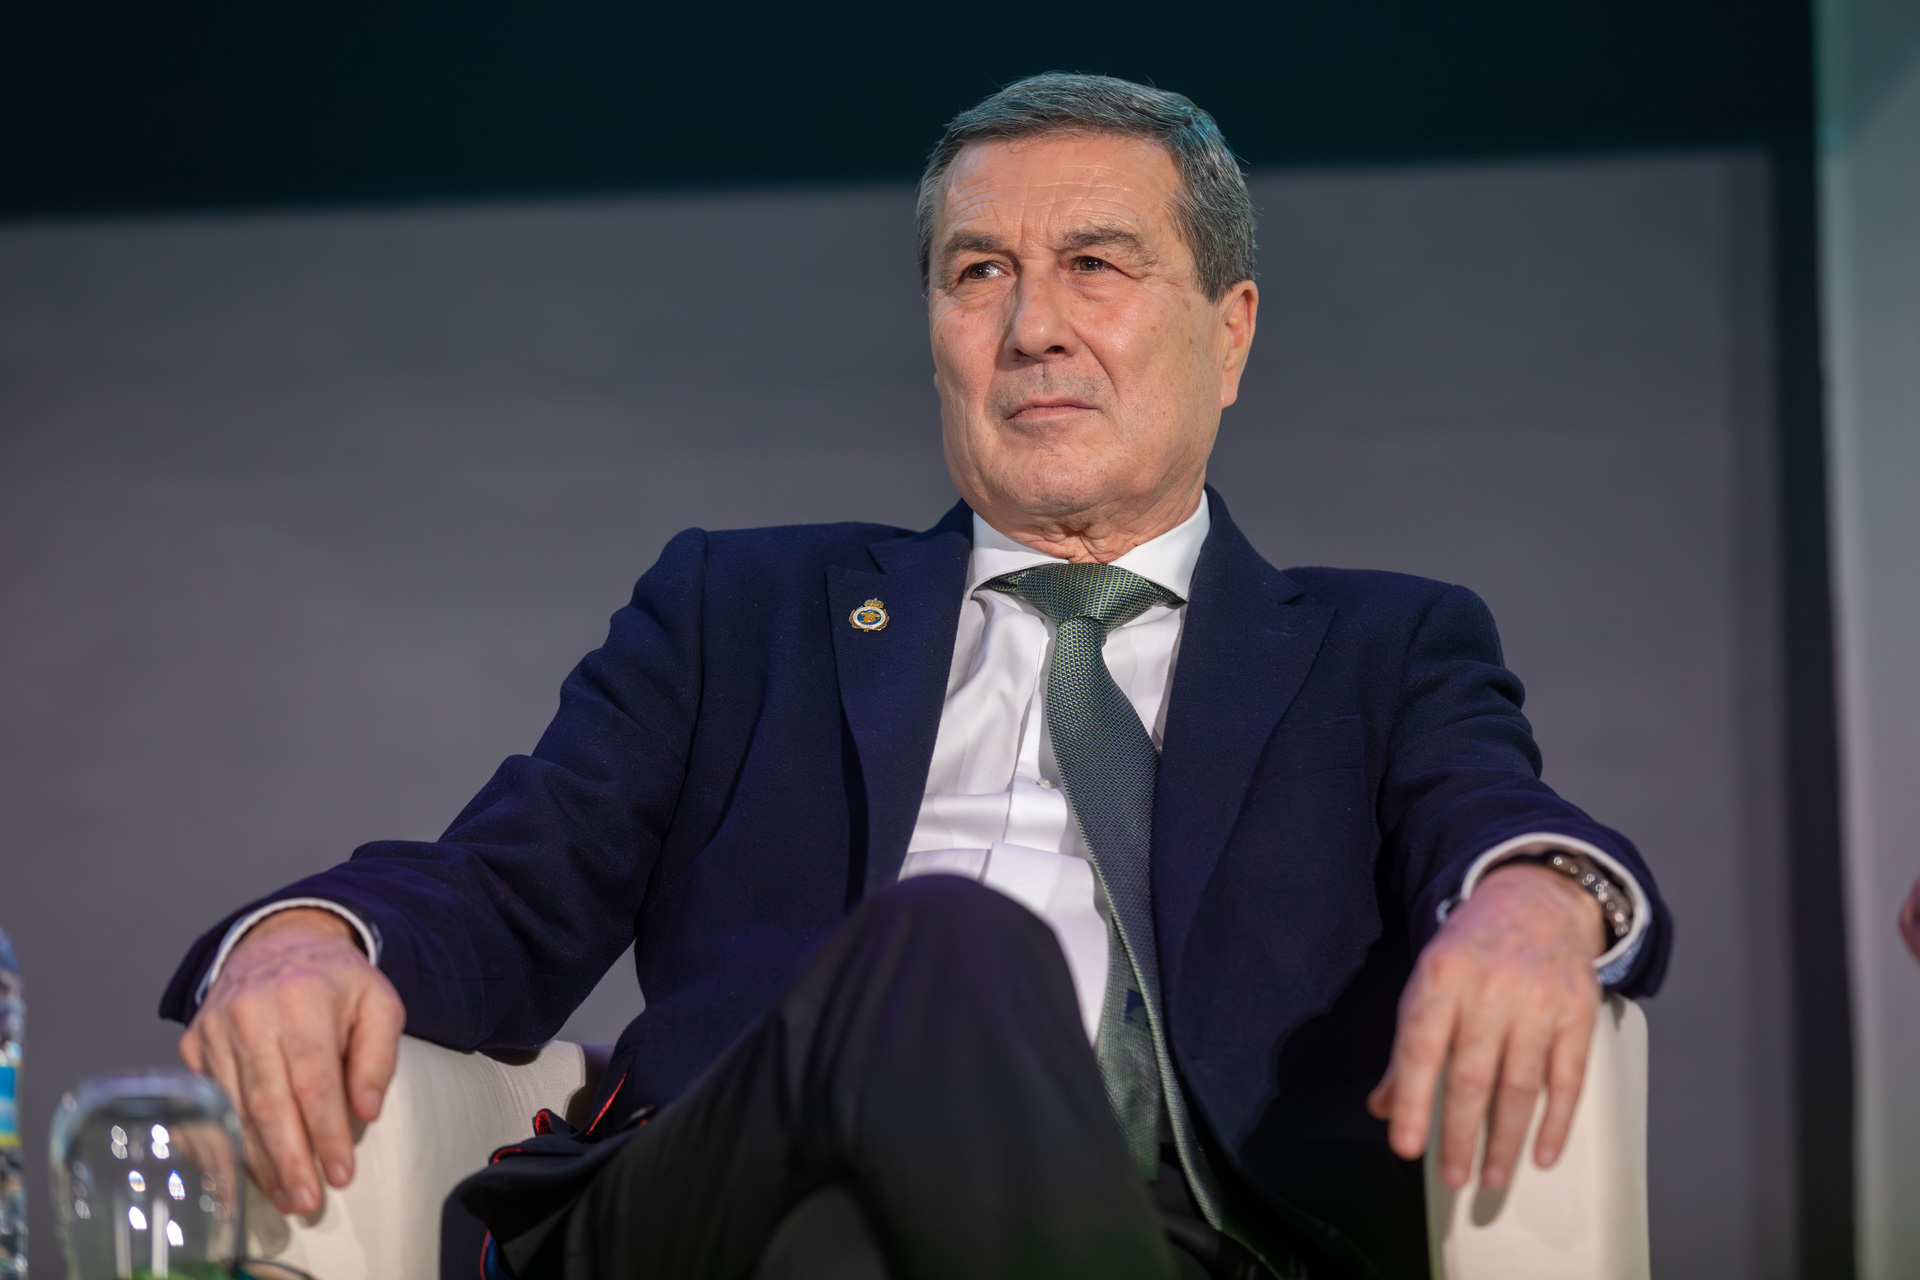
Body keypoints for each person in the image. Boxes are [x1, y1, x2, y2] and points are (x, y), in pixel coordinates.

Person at [160, 74, 1670, 1280]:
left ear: (1231, 332)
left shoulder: (1382, 648)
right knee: (947, 946)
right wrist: (305, 936)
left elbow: (1495, 817)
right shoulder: (739, 609)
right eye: (978, 272)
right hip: (719, 1197)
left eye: (1095, 265)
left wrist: (1536, 903)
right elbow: (505, 890)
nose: (1032, 327)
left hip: (1187, 1233)